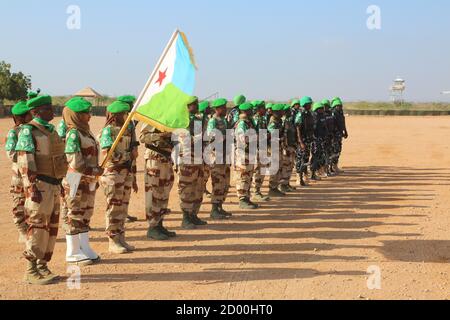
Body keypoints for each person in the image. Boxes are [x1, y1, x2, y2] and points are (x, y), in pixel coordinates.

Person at [16, 94, 68, 285]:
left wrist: (61, 184)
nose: (51, 109)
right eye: (47, 107)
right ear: (35, 111)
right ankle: (31, 270)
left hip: (53, 185)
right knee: (37, 228)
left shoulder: (51, 131)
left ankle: (43, 265)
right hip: (39, 187)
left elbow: (59, 160)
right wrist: (31, 188)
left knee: (51, 229)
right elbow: (25, 161)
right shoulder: (28, 131)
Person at [61, 97, 103, 265]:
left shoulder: (86, 132)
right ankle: (72, 252)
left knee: (86, 214)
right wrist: (94, 171)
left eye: (89, 112)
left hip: (88, 180)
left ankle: (84, 248)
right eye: (85, 113)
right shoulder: (73, 134)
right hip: (75, 180)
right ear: (75, 115)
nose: (89, 116)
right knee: (74, 214)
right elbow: (76, 163)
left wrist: (95, 174)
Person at [99, 101, 136, 254]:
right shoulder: (108, 131)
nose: (126, 116)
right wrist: (127, 155)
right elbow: (107, 154)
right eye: (123, 114)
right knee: (114, 207)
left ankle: (121, 237)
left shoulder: (126, 130)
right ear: (115, 116)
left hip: (125, 173)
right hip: (113, 174)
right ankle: (112, 240)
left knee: (123, 206)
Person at [140, 123, 176, 241]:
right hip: (154, 159)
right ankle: (152, 227)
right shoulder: (152, 119)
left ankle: (159, 224)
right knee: (154, 193)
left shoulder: (169, 119)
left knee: (164, 193)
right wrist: (161, 135)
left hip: (165, 158)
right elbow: (143, 137)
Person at [176, 96, 208, 229]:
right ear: (187, 107)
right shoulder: (182, 121)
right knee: (187, 188)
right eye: (194, 104)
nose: (197, 106)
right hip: (187, 159)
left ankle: (193, 215)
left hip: (199, 158)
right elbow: (187, 141)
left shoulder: (198, 120)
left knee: (198, 188)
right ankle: (185, 218)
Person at [5, 101, 32, 243]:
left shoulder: (34, 129)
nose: (32, 116)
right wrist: (26, 157)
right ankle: (22, 231)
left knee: (31, 203)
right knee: (19, 203)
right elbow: (11, 153)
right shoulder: (13, 132)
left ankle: (30, 229)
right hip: (19, 175)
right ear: (22, 117)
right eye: (29, 114)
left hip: (32, 174)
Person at [206, 98, 232, 220]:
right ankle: (214, 209)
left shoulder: (224, 121)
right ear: (217, 109)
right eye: (223, 107)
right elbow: (211, 135)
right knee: (217, 182)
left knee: (225, 183)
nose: (225, 109)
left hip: (225, 154)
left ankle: (220, 207)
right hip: (217, 155)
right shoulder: (213, 121)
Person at [117, 95, 140, 223]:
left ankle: (124, 213)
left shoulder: (129, 122)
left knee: (127, 189)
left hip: (129, 159)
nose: (131, 107)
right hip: (119, 162)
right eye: (129, 105)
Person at [234, 102, 259, 209]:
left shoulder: (249, 122)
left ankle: (247, 198)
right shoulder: (242, 124)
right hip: (243, 154)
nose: (252, 111)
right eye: (250, 110)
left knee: (248, 176)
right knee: (243, 176)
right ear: (245, 111)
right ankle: (242, 200)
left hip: (249, 153)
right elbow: (243, 139)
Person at [251, 100, 270, 202]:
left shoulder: (263, 119)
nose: (265, 109)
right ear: (258, 109)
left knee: (261, 171)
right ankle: (255, 192)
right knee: (257, 171)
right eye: (263, 108)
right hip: (257, 148)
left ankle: (257, 191)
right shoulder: (255, 119)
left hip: (263, 147)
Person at [267, 104, 287, 197]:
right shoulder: (273, 122)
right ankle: (272, 189)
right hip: (273, 147)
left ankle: (275, 187)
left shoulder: (278, 121)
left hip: (277, 146)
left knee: (278, 167)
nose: (284, 112)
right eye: (282, 111)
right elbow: (271, 136)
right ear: (277, 112)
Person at [295, 96, 315, 186]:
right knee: (300, 159)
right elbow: (298, 128)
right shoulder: (300, 114)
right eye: (309, 104)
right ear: (304, 104)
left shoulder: (309, 113)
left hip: (308, 139)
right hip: (302, 140)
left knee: (306, 158)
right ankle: (298, 178)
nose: (310, 105)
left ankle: (304, 177)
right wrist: (301, 142)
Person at [280, 104, 297, 193]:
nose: (291, 112)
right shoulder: (283, 122)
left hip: (291, 147)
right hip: (286, 148)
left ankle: (287, 184)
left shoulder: (289, 121)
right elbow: (282, 136)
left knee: (290, 166)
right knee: (285, 167)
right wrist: (284, 148)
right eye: (289, 111)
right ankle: (282, 185)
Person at [311, 102, 329, 181]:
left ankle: (317, 171)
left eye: (323, 108)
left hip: (321, 139)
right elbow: (313, 130)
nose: (323, 110)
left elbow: (324, 127)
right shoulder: (314, 117)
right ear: (316, 109)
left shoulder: (323, 116)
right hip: (315, 140)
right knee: (315, 156)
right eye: (321, 108)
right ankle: (313, 173)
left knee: (320, 156)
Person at [199, 100, 213, 198]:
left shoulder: (206, 119)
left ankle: (203, 188)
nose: (210, 109)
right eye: (208, 107)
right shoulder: (199, 120)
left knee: (206, 170)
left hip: (205, 148)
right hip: (199, 149)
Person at [331, 97, 349, 174]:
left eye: (340, 105)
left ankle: (335, 166)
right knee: (334, 150)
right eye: (338, 105)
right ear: (335, 106)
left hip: (339, 134)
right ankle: (331, 166)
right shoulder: (333, 113)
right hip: (334, 135)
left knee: (338, 150)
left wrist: (345, 131)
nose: (340, 107)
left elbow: (343, 123)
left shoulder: (340, 112)